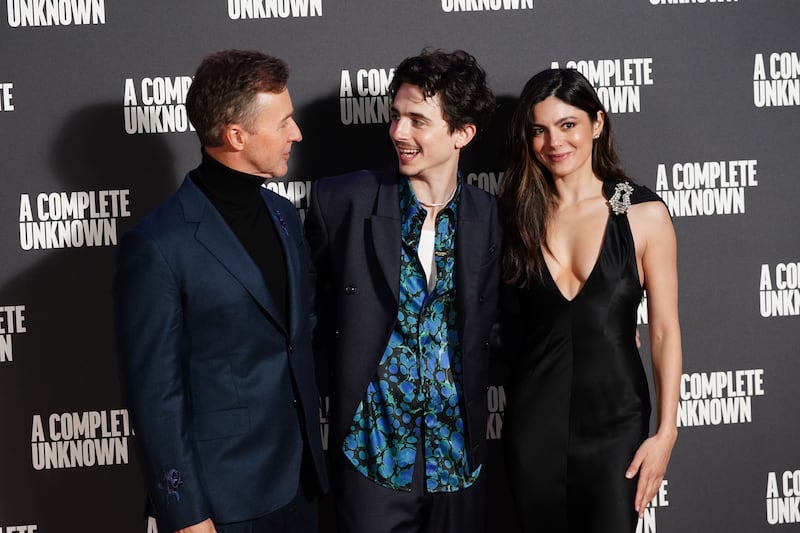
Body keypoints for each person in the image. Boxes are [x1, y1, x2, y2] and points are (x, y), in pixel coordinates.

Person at [114, 50, 327, 533]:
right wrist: (187, 515)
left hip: (302, 486)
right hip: (223, 505)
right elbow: (155, 398)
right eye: (284, 122)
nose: (296, 133)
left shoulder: (282, 215)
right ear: (236, 135)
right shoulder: (158, 246)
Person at [305, 49, 500, 533]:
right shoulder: (341, 201)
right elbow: (303, 322)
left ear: (462, 134)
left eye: (417, 120)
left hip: (457, 459)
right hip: (373, 455)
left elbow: (505, 322)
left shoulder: (490, 216)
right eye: (395, 117)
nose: (397, 133)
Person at [497, 68, 682, 533]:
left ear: (597, 123)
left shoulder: (641, 212)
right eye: (538, 130)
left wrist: (666, 433)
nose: (553, 142)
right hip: (533, 420)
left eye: (567, 125)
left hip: (616, 422)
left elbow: (662, 330)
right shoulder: (514, 216)